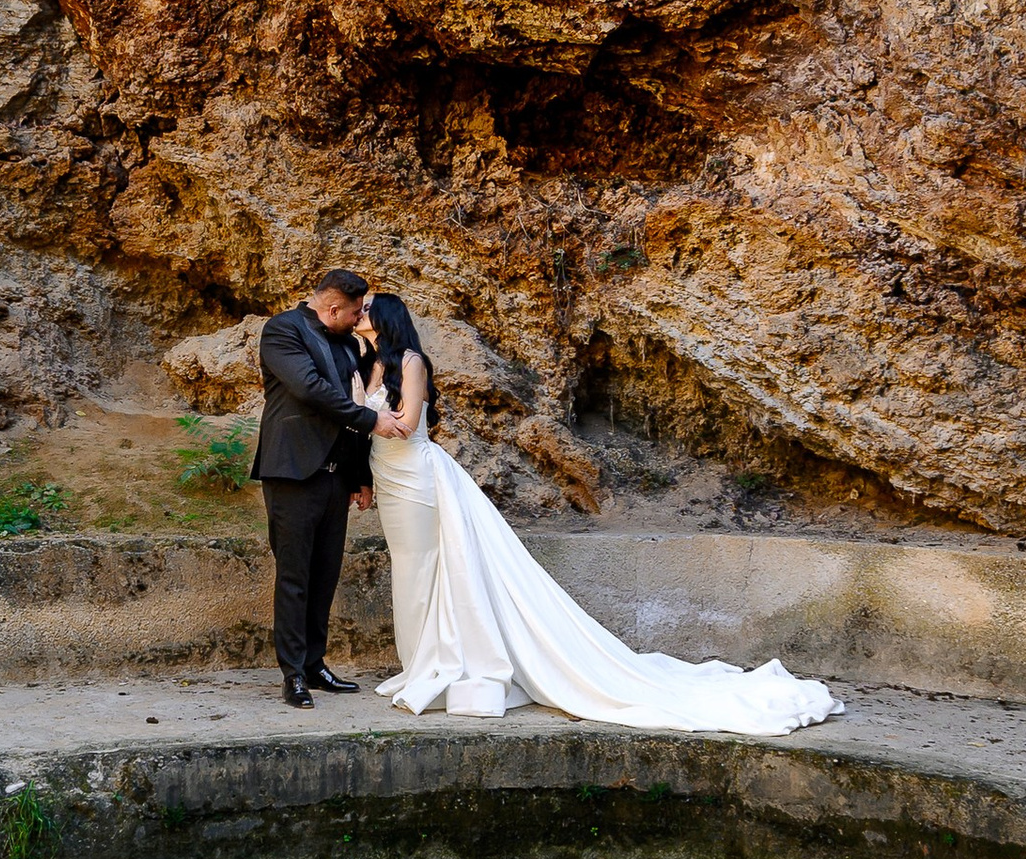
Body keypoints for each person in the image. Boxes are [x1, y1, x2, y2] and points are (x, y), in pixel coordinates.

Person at [351, 285, 839, 740]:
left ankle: (434, 666)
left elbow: (407, 424)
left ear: (387, 318)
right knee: (410, 571)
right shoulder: (365, 364)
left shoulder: (411, 362)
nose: (361, 313)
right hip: (389, 477)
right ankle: (418, 665)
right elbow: (366, 423)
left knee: (424, 569)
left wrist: (368, 415)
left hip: (417, 476)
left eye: (368, 308)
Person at [251, 268, 381, 709]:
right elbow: (309, 389)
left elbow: (360, 397)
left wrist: (360, 474)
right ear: (332, 308)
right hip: (292, 471)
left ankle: (315, 663)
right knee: (295, 576)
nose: (360, 316)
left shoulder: (348, 342)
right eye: (356, 310)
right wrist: (371, 421)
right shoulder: (282, 330)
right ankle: (293, 675)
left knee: (325, 574)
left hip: (335, 474)